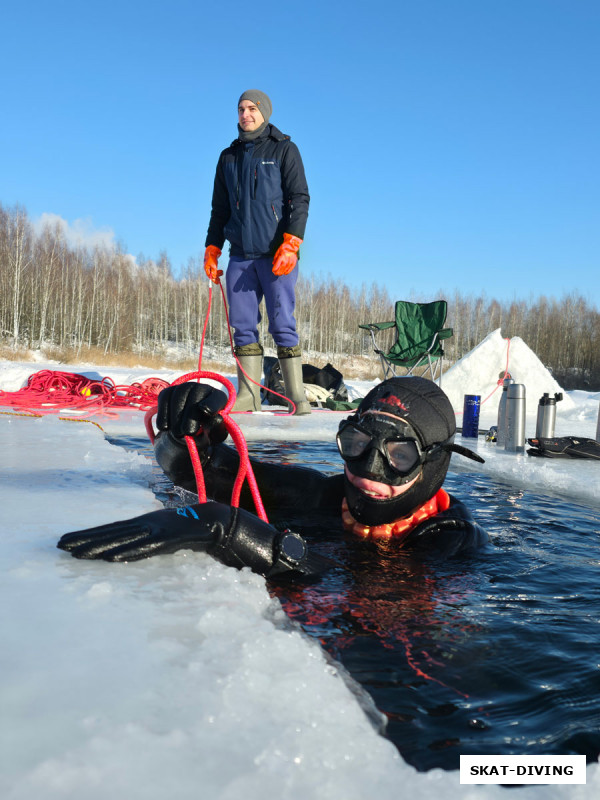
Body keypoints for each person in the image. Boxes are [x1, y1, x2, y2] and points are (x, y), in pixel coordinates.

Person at [58, 377, 488, 576]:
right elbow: (194, 470)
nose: (368, 469)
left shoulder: (449, 542)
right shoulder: (325, 496)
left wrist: (241, 535)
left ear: (434, 464)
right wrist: (188, 429)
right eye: (357, 443)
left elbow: (385, 625)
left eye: (399, 455)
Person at [203, 89, 311, 415]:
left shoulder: (284, 149)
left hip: (277, 255)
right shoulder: (228, 157)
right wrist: (212, 247)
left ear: (264, 112)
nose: (245, 114)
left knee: (282, 324)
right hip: (240, 256)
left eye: (252, 108)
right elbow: (219, 209)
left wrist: (292, 243)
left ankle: (296, 398)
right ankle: (249, 396)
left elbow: (299, 198)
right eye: (241, 109)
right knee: (243, 325)